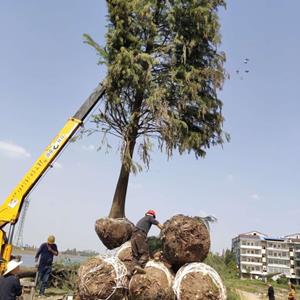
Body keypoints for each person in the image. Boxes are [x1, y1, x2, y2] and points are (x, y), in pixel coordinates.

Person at [130, 210, 163, 274]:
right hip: (140, 235)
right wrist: (164, 229)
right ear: (153, 216)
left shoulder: (142, 219)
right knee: (145, 253)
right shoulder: (150, 218)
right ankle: (139, 266)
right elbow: (158, 224)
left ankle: (130, 271)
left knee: (135, 255)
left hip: (133, 236)